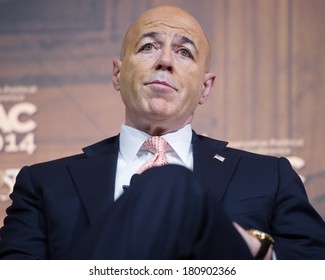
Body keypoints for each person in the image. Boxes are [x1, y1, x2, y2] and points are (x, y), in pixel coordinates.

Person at [0, 5, 325, 260]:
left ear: (205, 87)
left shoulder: (270, 176)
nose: (166, 60)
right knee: (171, 183)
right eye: (148, 47)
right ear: (117, 73)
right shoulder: (44, 184)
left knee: (173, 184)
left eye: (185, 52)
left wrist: (257, 250)